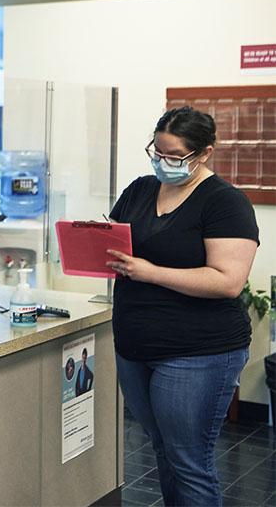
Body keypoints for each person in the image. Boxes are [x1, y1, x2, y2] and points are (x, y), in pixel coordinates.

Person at [105, 106, 259, 507]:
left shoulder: (225, 202)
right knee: (163, 451)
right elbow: (119, 243)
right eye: (156, 151)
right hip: (136, 346)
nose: (162, 162)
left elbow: (228, 281)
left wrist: (151, 272)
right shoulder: (139, 190)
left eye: (174, 156)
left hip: (199, 352)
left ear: (204, 154)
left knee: (189, 461)